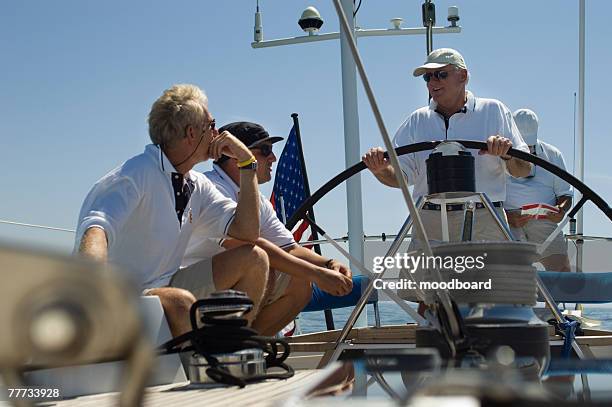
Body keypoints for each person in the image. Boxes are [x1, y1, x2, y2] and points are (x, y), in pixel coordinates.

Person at [75, 84, 269, 338]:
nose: (218, 133)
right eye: (212, 126)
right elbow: (97, 229)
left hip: (165, 284)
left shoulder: (197, 185)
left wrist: (247, 164)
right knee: (179, 303)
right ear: (191, 133)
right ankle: (201, 365)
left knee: (254, 259)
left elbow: (247, 231)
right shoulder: (135, 174)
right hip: (120, 294)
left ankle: (226, 349)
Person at [184, 121, 353, 336]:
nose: (273, 158)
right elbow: (250, 243)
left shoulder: (255, 199)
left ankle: (246, 347)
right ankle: (227, 353)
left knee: (300, 280)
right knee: (261, 264)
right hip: (196, 286)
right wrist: (318, 274)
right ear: (235, 155)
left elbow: (288, 247)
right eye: (265, 151)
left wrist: (329, 264)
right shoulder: (211, 188)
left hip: (226, 288)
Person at [362, 48, 532, 244]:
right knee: (418, 276)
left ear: (463, 76)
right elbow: (400, 177)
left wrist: (507, 155)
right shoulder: (417, 121)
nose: (433, 82)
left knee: (493, 276)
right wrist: (380, 169)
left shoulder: (494, 111)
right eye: (428, 77)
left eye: (441, 75)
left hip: (485, 221)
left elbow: (524, 169)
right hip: (430, 222)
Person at [505, 108, 572, 271]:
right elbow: (486, 195)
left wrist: (560, 211)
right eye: (523, 146)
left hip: (545, 221)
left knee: (562, 273)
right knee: (508, 276)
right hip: (507, 221)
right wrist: (506, 217)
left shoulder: (553, 154)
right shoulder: (498, 155)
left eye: (530, 145)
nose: (528, 150)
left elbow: (565, 194)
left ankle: (561, 297)